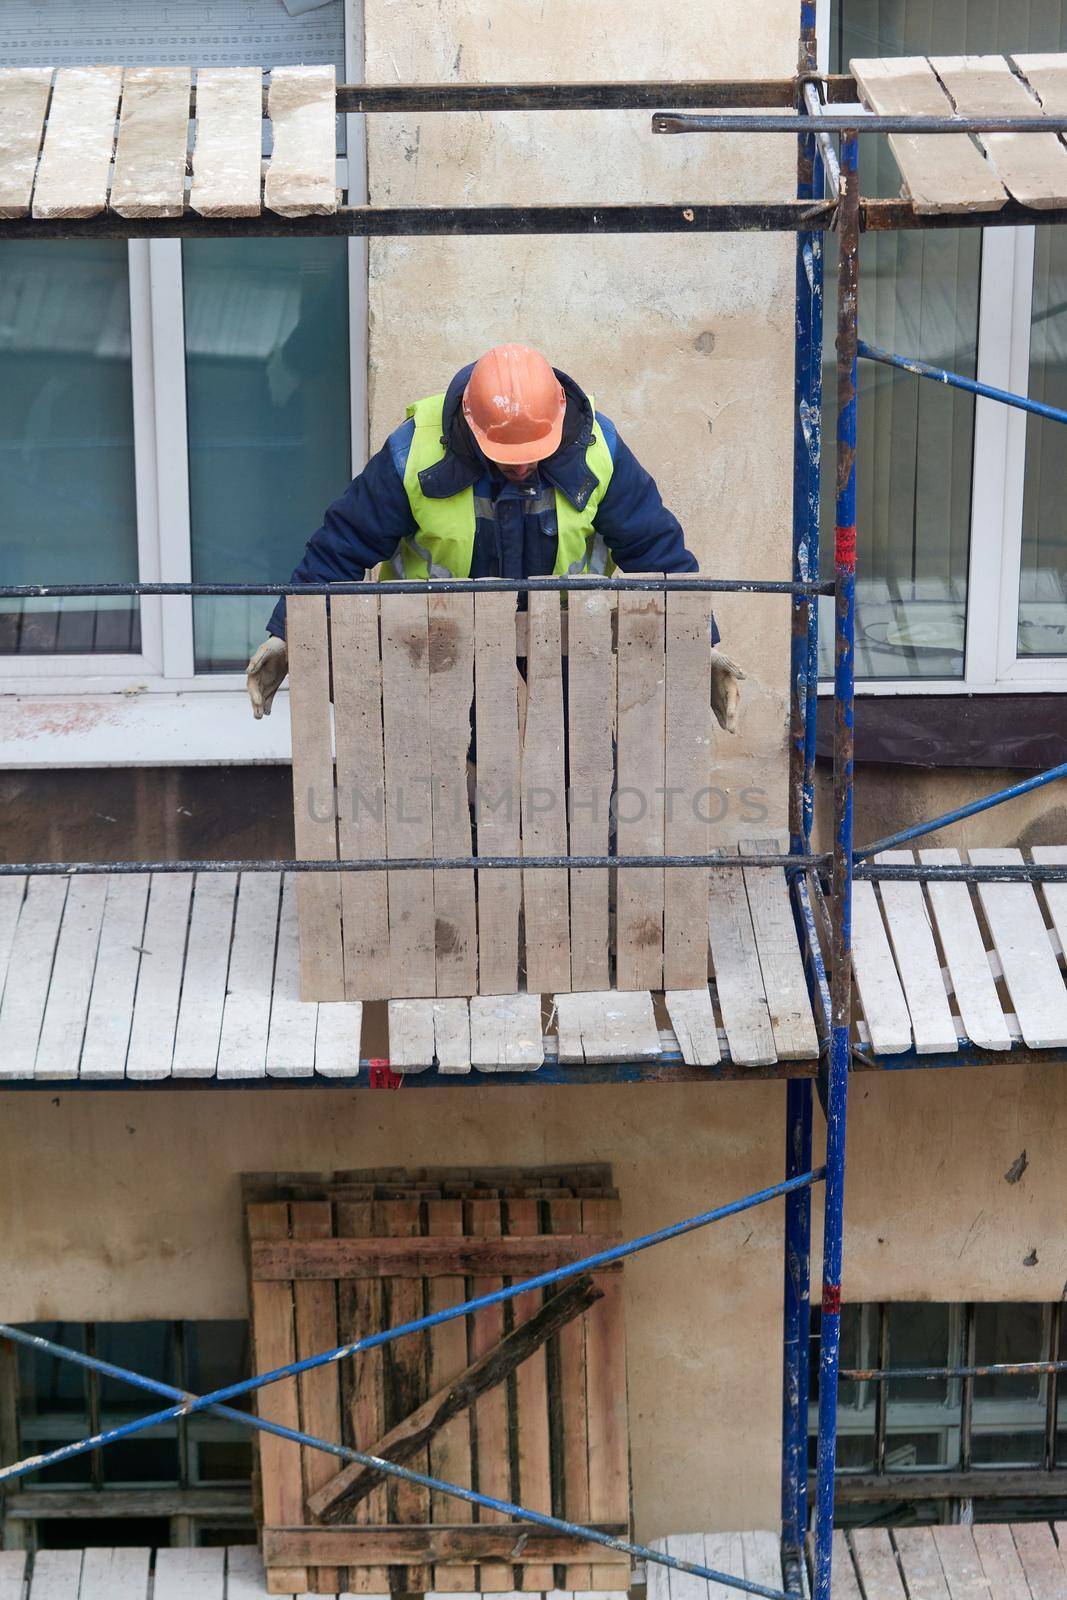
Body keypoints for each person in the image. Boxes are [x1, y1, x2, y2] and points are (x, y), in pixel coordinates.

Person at [246, 343, 744, 727]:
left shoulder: (599, 451)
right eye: (507, 453)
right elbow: (342, 543)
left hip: (563, 660)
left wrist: (698, 643)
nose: (523, 465)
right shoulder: (415, 455)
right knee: (446, 811)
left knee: (577, 800)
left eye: (535, 450)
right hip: (436, 661)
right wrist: (289, 632)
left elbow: (656, 551)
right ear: (470, 423)